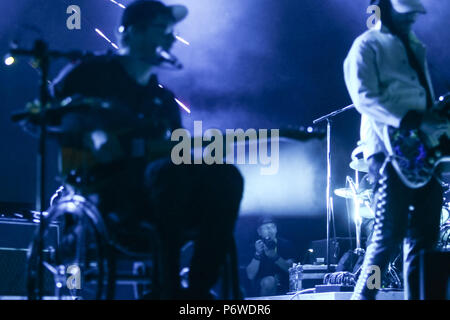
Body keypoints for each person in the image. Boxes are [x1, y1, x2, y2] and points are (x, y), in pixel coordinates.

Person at [51, 0, 244, 299]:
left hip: (163, 195)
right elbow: (51, 118)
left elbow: (178, 154)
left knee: (227, 176)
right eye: (162, 29)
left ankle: (196, 290)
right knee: (171, 175)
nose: (170, 38)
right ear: (132, 32)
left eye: (172, 31)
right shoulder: (88, 74)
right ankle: (165, 287)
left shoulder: (163, 101)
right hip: (107, 195)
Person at [343, 0, 446, 299]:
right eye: (406, 12)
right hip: (387, 150)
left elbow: (423, 95)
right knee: (387, 238)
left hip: (422, 150)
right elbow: (364, 97)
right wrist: (413, 121)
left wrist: (437, 133)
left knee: (424, 239)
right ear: (385, 9)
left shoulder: (415, 46)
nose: (413, 17)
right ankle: (363, 296)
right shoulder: (365, 46)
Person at [246, 217, 296, 296]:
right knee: (269, 281)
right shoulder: (254, 247)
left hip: (284, 284)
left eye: (273, 227)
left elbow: (291, 270)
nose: (270, 230)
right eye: (266, 228)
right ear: (259, 232)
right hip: (262, 285)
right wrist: (257, 254)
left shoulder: (285, 244)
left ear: (276, 230)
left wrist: (275, 257)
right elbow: (250, 275)